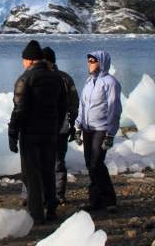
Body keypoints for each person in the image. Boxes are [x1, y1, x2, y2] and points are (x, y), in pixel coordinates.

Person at [8, 40, 67, 223]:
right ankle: (51, 209)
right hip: (50, 132)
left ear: (29, 60)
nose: (23, 63)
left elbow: (19, 109)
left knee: (32, 174)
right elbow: (62, 106)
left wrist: (12, 133)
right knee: (48, 171)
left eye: (24, 59)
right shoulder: (56, 78)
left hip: (30, 133)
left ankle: (36, 214)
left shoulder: (25, 79)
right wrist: (56, 127)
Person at [74, 51, 121, 213]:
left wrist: (110, 133)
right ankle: (96, 200)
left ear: (101, 62)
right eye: (88, 61)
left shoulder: (110, 83)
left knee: (96, 163)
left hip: (101, 129)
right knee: (90, 164)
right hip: (87, 129)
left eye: (93, 60)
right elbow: (83, 106)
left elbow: (114, 108)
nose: (90, 63)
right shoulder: (89, 82)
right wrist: (78, 126)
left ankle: (109, 200)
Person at [42, 47, 80, 205]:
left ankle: (55, 194)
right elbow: (75, 102)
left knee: (54, 161)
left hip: (55, 128)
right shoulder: (65, 78)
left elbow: (74, 102)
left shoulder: (61, 78)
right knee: (53, 161)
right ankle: (54, 194)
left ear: (49, 61)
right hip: (54, 128)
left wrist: (71, 123)